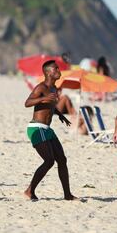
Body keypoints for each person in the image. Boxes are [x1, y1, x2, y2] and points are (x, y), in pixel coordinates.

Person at [24, 60, 78, 201]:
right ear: (48, 72)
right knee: (49, 161)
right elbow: (27, 103)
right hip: (37, 127)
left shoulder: (54, 88)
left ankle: (67, 194)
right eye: (56, 68)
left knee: (62, 159)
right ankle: (30, 190)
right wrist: (43, 98)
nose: (59, 70)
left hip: (47, 129)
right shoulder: (41, 88)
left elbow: (51, 106)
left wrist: (60, 115)